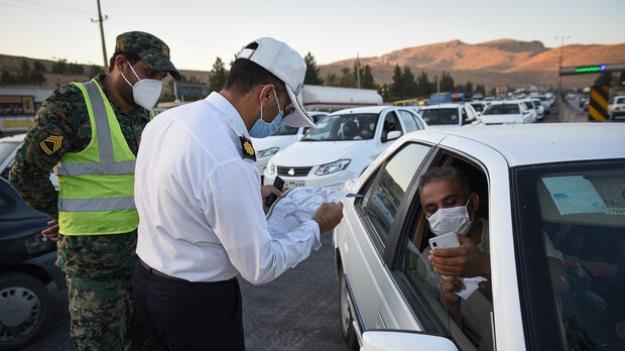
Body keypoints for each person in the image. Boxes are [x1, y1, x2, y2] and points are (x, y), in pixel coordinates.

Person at [132, 37, 344, 351]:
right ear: (267, 93)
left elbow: (178, 193)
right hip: (197, 309)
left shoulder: (167, 121)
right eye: (284, 110)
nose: (280, 120)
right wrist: (317, 227)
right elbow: (260, 266)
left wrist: (247, 194)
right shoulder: (229, 156)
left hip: (147, 286)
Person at [9, 31, 179, 350]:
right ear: (121, 63)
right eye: (150, 72)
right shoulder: (73, 104)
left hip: (146, 262)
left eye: (162, 75)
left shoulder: (149, 116)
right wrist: (63, 211)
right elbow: (25, 172)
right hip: (95, 272)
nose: (157, 81)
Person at [418, 166, 491, 326]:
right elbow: (440, 332)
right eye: (432, 209)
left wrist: (486, 266)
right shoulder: (429, 260)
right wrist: (451, 303)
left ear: (474, 202)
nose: (442, 214)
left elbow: (557, 279)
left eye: (450, 203)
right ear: (427, 216)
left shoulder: (507, 232)